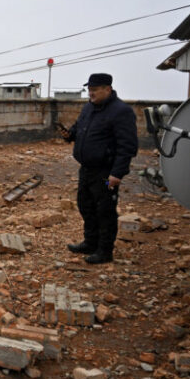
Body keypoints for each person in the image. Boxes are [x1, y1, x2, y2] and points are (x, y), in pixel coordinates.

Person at [57, 73, 138, 264]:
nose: (90, 93)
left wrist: (117, 173)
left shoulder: (121, 111)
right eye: (89, 90)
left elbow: (127, 146)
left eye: (94, 90)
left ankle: (104, 251)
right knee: (86, 206)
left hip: (106, 171)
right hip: (86, 169)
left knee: (105, 210)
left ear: (107, 89)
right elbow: (78, 130)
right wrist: (69, 135)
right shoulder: (89, 108)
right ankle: (90, 243)